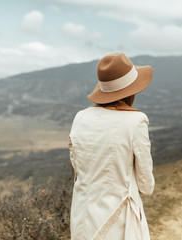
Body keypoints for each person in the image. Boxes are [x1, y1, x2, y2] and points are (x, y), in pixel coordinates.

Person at [68, 53, 155, 240]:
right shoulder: (135, 121)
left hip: (82, 214)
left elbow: (77, 166)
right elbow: (146, 184)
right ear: (131, 91)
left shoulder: (80, 117)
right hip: (117, 218)